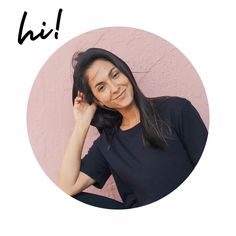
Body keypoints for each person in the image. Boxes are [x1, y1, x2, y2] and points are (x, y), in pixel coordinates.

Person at [58, 48, 208, 209]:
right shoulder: (107, 144)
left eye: (115, 75)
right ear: (98, 101)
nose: (115, 88)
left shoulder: (177, 110)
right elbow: (67, 187)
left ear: (125, 72)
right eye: (101, 87)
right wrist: (82, 124)